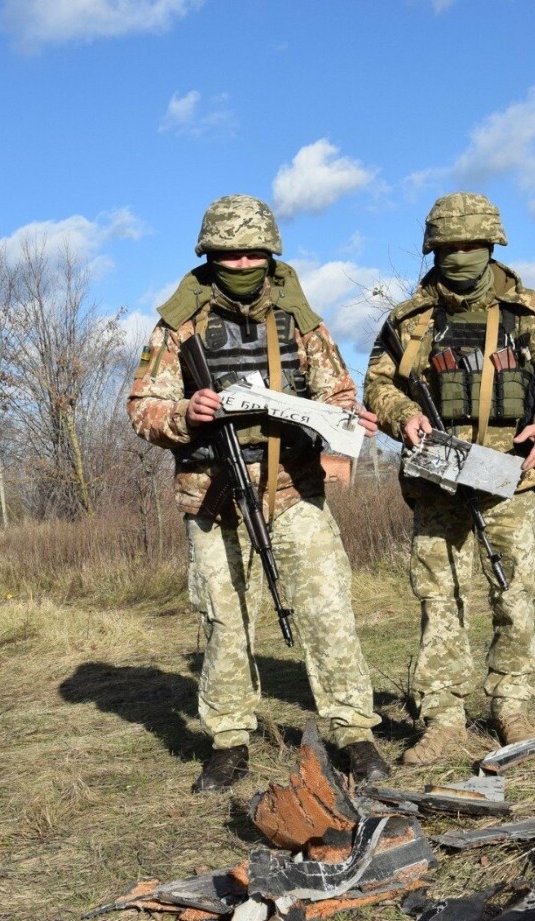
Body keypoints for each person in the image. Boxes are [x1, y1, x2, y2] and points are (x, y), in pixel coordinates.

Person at [127, 194, 391, 792]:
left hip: (293, 488)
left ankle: (353, 732)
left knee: (328, 608)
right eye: (229, 254)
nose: (243, 264)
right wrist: (184, 413)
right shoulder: (179, 324)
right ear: (209, 254)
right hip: (213, 495)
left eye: (253, 253)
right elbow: (141, 408)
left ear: (270, 253)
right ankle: (228, 740)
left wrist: (348, 420)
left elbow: (337, 391)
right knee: (225, 618)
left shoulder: (299, 318)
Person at [363, 192, 535, 765]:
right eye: (449, 247)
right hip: (437, 477)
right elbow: (378, 386)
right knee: (440, 598)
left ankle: (511, 706)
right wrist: (403, 417)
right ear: (433, 250)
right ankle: (441, 720)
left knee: (514, 593)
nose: (460, 255)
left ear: (492, 245)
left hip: (510, 476)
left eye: (471, 245)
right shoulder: (408, 322)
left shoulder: (529, 312)